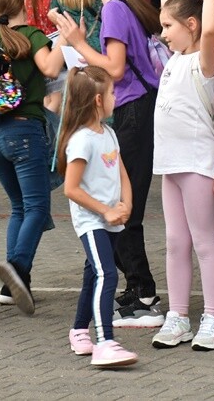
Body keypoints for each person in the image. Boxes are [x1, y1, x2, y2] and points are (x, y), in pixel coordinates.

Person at [50, 0, 164, 328]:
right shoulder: (121, 5)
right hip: (138, 109)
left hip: (134, 111)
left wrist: (79, 43)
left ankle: (143, 293)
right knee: (121, 201)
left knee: (122, 205)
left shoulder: (115, 8)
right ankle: (136, 288)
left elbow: (114, 69)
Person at [149, 0, 214, 351]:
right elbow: (172, 4)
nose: (162, 32)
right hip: (171, 166)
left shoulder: (204, 61)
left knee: (204, 243)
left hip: (198, 165)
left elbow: (211, 29)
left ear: (191, 26)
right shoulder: (176, 58)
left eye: (168, 26)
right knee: (175, 242)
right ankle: (178, 316)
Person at [0, 0, 65, 314]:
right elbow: (50, 68)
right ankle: (17, 268)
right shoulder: (32, 35)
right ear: (24, 2)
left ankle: (13, 286)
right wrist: (66, 36)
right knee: (37, 208)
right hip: (25, 132)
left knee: (19, 207)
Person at [59, 66, 138, 368]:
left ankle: (79, 330)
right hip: (92, 221)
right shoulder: (82, 140)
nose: (116, 98)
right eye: (112, 93)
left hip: (111, 219)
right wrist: (106, 210)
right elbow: (71, 188)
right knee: (108, 274)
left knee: (93, 274)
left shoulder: (109, 134)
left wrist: (126, 204)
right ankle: (105, 342)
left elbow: (122, 173)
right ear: (97, 100)